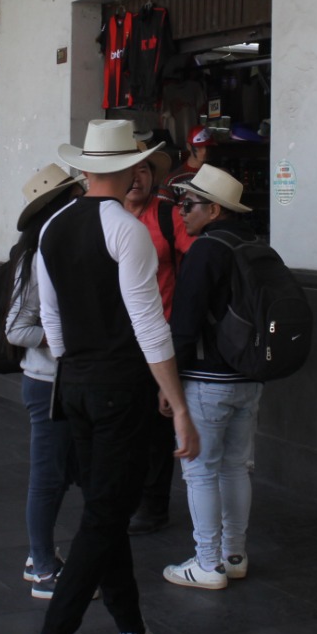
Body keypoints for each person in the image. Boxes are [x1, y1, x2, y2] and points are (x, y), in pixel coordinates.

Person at [17, 119, 199, 634]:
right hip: (120, 389)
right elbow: (149, 323)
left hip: (72, 383)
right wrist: (179, 403)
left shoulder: (51, 229)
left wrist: (81, 364)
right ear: (131, 170)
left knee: (106, 509)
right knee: (101, 518)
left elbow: (52, 322)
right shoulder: (128, 229)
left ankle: (131, 631)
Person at [163, 166, 263, 591]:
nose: (182, 213)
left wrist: (169, 384)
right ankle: (233, 555)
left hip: (207, 379)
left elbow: (184, 324)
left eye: (189, 205)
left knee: (200, 471)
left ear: (214, 209)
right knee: (236, 468)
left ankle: (207, 562)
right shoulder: (254, 245)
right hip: (249, 376)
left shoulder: (205, 250)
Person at [4, 164, 86, 600]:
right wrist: (69, 343)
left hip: (62, 382)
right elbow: (16, 329)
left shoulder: (58, 248)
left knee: (61, 474)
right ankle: (41, 565)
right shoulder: (38, 256)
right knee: (47, 478)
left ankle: (43, 556)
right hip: (47, 383)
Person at [122, 142, 194, 536]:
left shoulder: (168, 216)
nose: (137, 178)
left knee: (156, 424)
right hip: (115, 340)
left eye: (145, 171)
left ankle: (153, 504)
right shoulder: (103, 217)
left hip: (158, 334)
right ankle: (124, 495)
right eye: (130, 171)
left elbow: (196, 260)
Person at [160, 125, 212, 201]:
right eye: (199, 147)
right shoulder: (173, 180)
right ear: (189, 146)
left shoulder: (215, 175)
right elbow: (166, 210)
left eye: (208, 147)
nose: (204, 151)